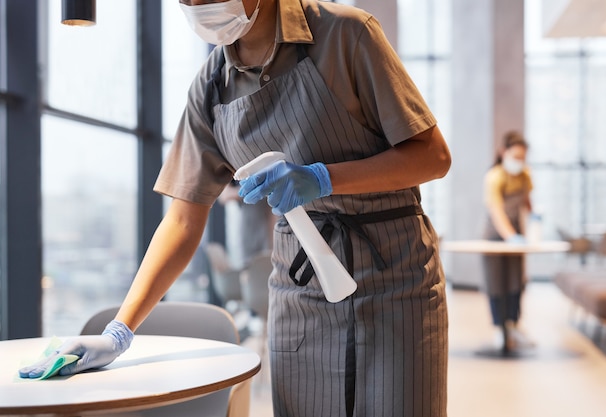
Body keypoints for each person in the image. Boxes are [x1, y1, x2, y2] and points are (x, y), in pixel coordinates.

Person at [21, 1, 452, 416]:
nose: (198, 4)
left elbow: (432, 157)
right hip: (301, 289)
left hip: (394, 277)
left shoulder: (345, 34)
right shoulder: (210, 90)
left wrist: (323, 178)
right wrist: (119, 330)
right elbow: (184, 220)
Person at [482, 130, 535, 349]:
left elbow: (526, 200)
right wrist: (510, 235)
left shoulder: (524, 175)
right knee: (497, 282)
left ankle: (514, 326)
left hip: (516, 234)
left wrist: (535, 218)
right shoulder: (495, 176)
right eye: (515, 157)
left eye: (523, 158)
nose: (519, 162)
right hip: (495, 234)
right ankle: (499, 329)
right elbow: (497, 211)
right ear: (504, 153)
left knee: (515, 281)